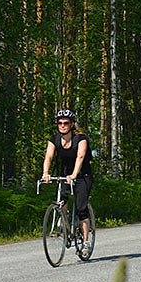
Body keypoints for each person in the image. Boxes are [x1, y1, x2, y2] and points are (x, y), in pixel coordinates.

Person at [41, 109, 93, 256]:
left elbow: (81, 157)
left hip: (83, 175)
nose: (62, 125)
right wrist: (46, 173)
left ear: (71, 124)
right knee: (62, 199)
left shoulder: (80, 138)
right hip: (64, 174)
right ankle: (64, 219)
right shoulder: (54, 140)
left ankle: (85, 242)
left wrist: (75, 174)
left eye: (66, 123)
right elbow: (49, 157)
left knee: (82, 207)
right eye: (60, 123)